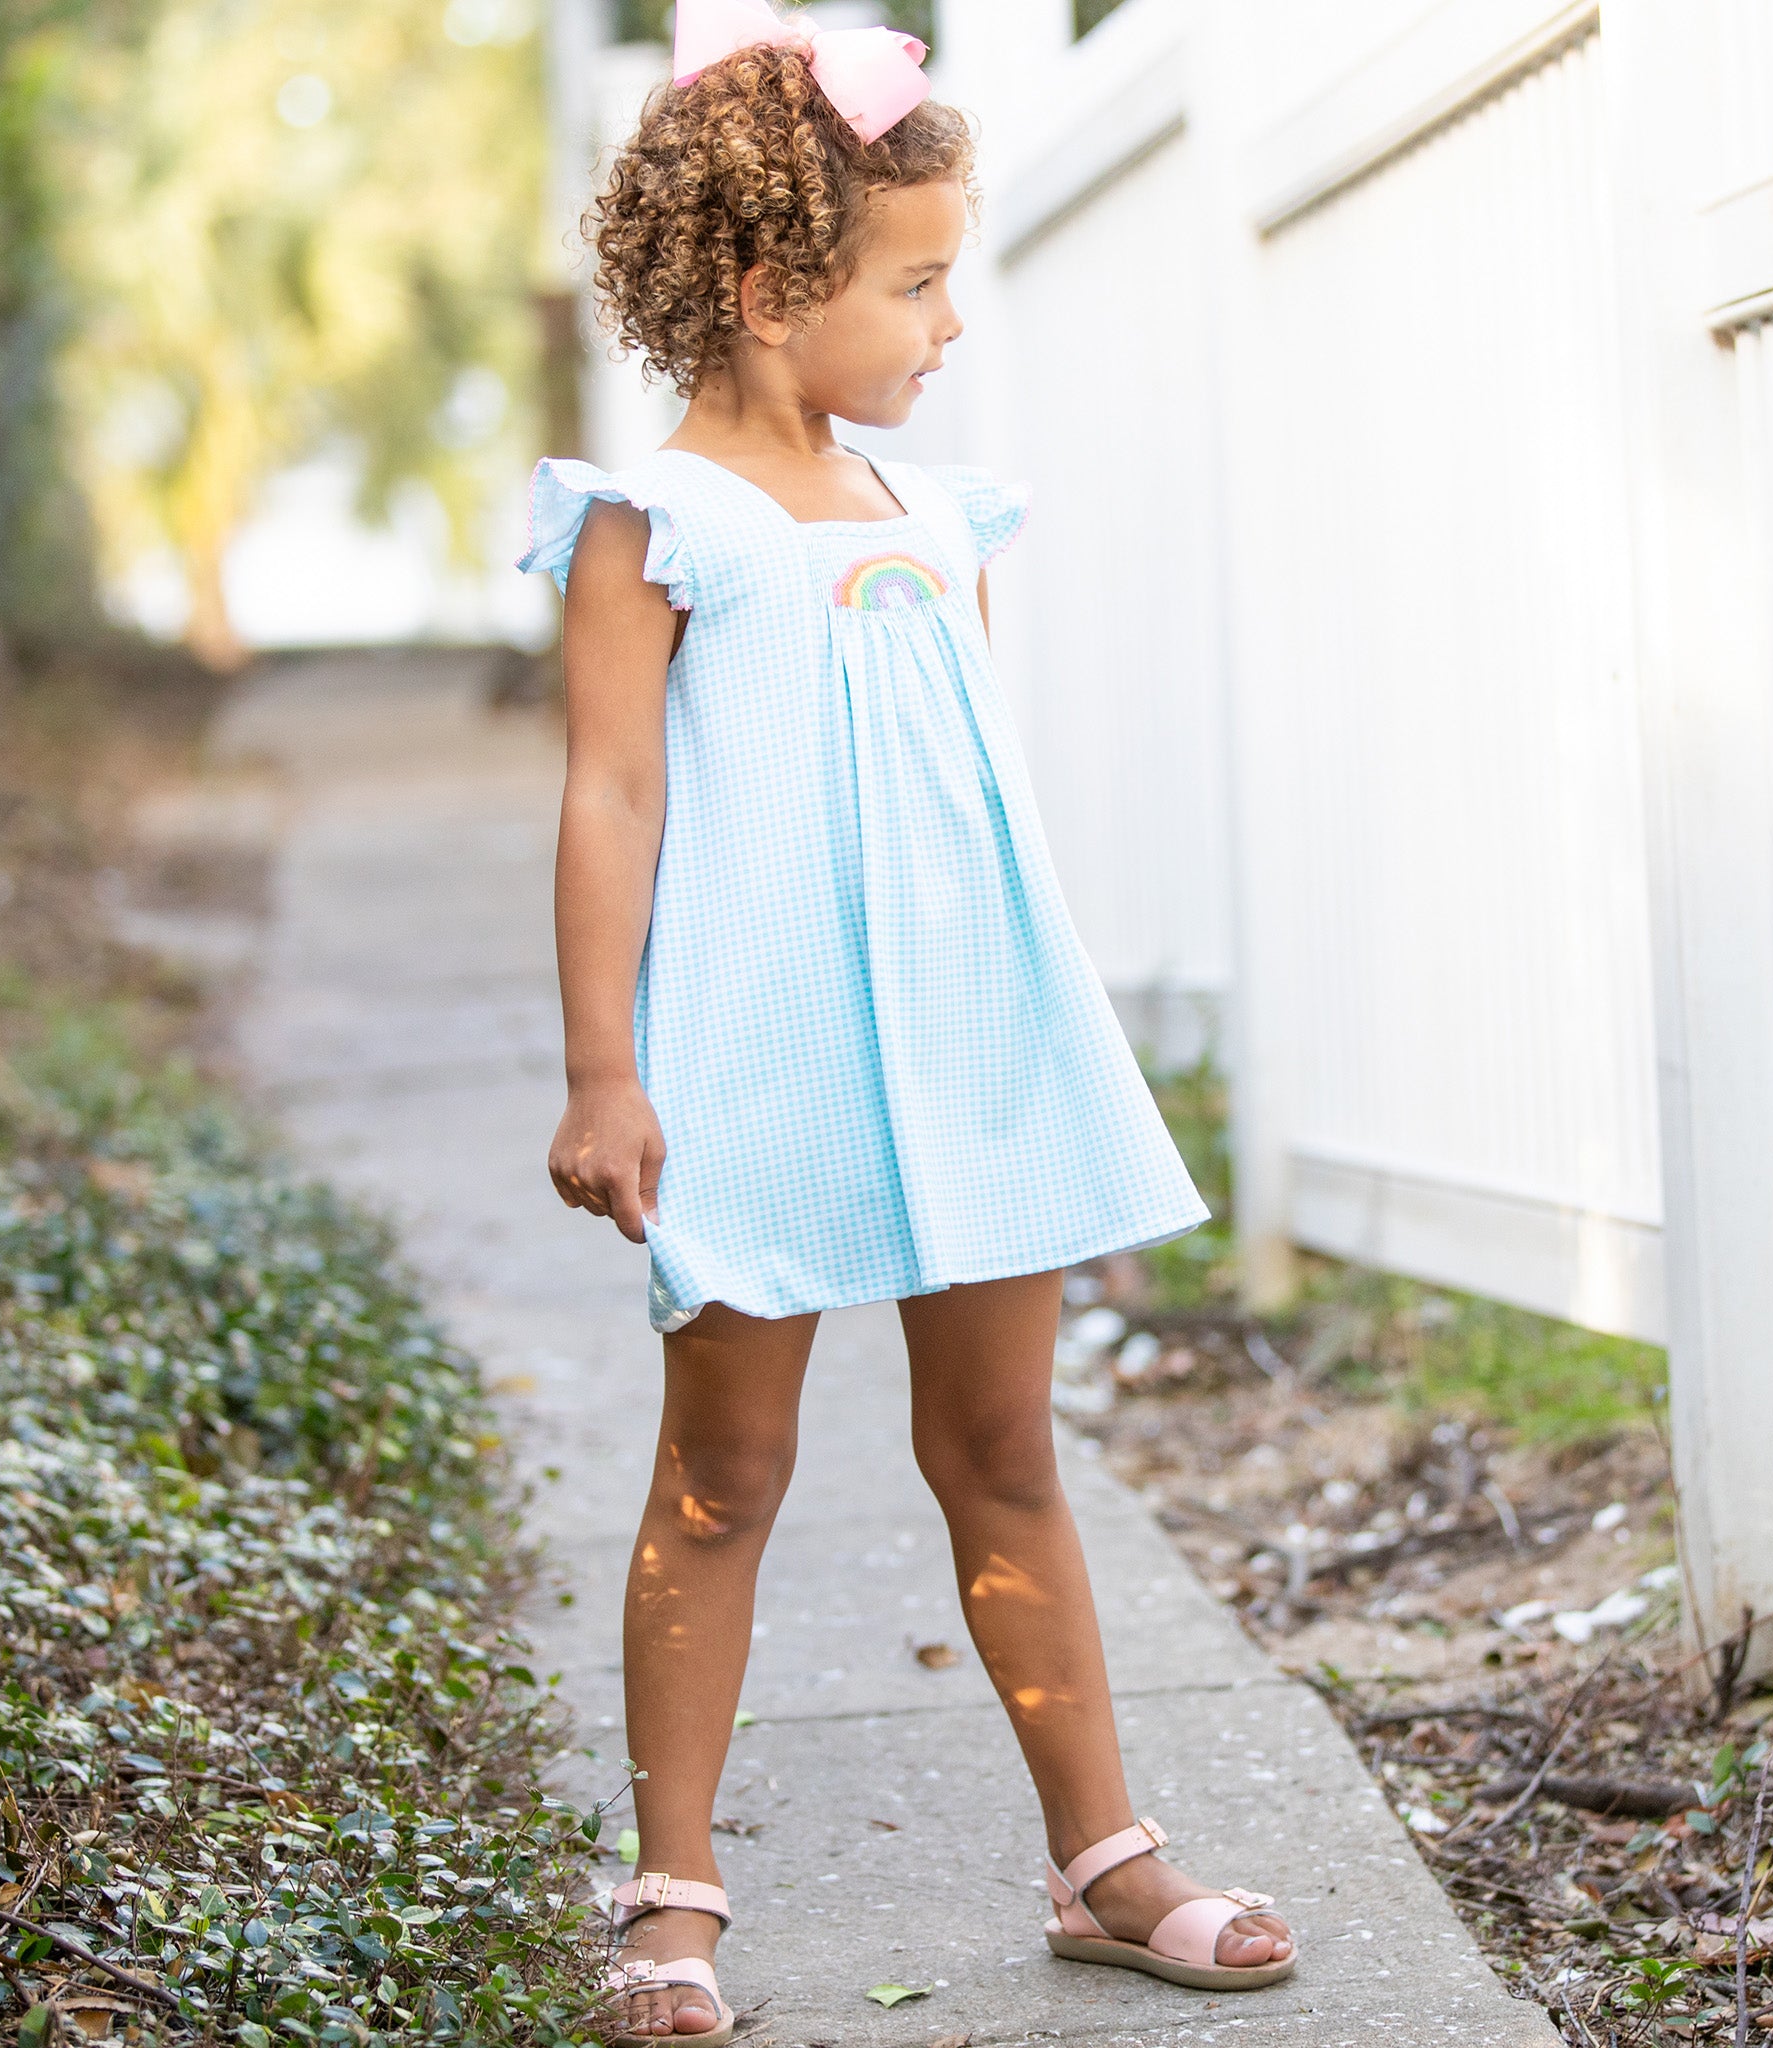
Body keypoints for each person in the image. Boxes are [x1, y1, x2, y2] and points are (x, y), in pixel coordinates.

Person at [522, 2, 1298, 2038]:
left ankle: (1104, 1856)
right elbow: (610, 799)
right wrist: (607, 1068)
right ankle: (673, 1897)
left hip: (963, 1047)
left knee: (1006, 1453)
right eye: (920, 280)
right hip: (755, 1061)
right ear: (778, 290)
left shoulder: (940, 517)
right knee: (724, 1470)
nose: (950, 325)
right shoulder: (654, 528)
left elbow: (958, 808)